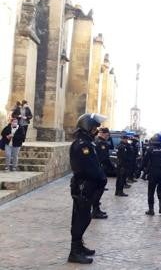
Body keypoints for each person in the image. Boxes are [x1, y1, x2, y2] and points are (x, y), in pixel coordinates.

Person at [67, 113, 107, 264]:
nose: (96, 130)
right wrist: (101, 178)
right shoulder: (83, 145)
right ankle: (74, 252)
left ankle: (79, 246)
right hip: (83, 186)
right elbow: (89, 168)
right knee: (81, 219)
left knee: (83, 217)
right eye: (94, 127)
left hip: (86, 186)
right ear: (87, 127)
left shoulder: (87, 143)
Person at [92, 128, 112, 219]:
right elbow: (105, 158)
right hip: (99, 169)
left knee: (95, 190)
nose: (108, 137)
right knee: (98, 190)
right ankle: (95, 211)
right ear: (104, 134)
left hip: (94, 168)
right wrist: (112, 168)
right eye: (107, 135)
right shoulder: (102, 143)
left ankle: (96, 209)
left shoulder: (95, 141)